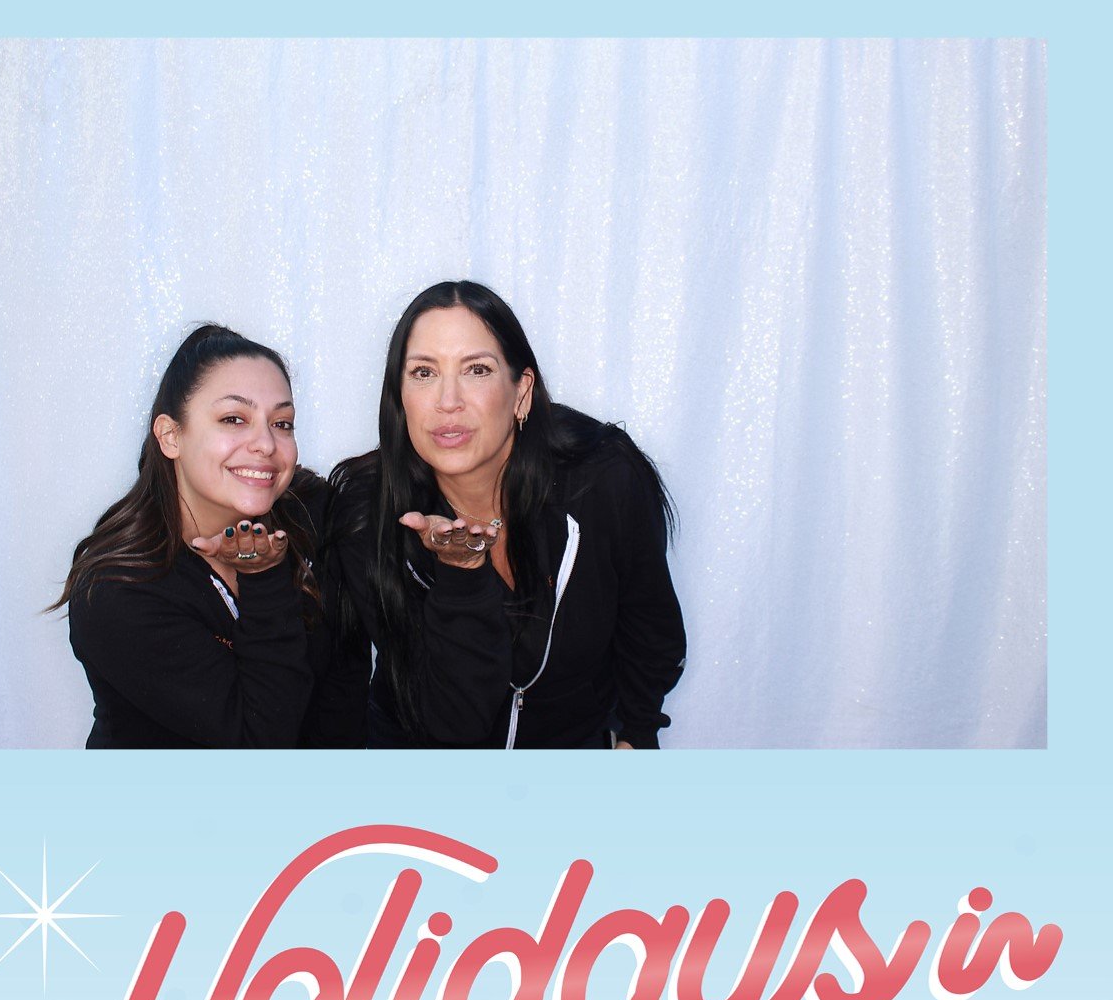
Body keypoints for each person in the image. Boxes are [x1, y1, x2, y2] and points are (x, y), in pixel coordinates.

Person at [326, 282, 686, 750]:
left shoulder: (602, 480)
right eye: (423, 373)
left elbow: (651, 633)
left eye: (476, 369)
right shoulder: (367, 512)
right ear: (400, 396)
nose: (447, 400)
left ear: (521, 392)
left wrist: (634, 736)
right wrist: (461, 575)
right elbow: (450, 721)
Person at [57, 324, 366, 748]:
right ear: (171, 436)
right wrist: (263, 578)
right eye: (233, 419)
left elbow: (344, 692)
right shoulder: (116, 591)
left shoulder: (310, 514)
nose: (266, 443)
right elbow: (258, 741)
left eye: (282, 423)